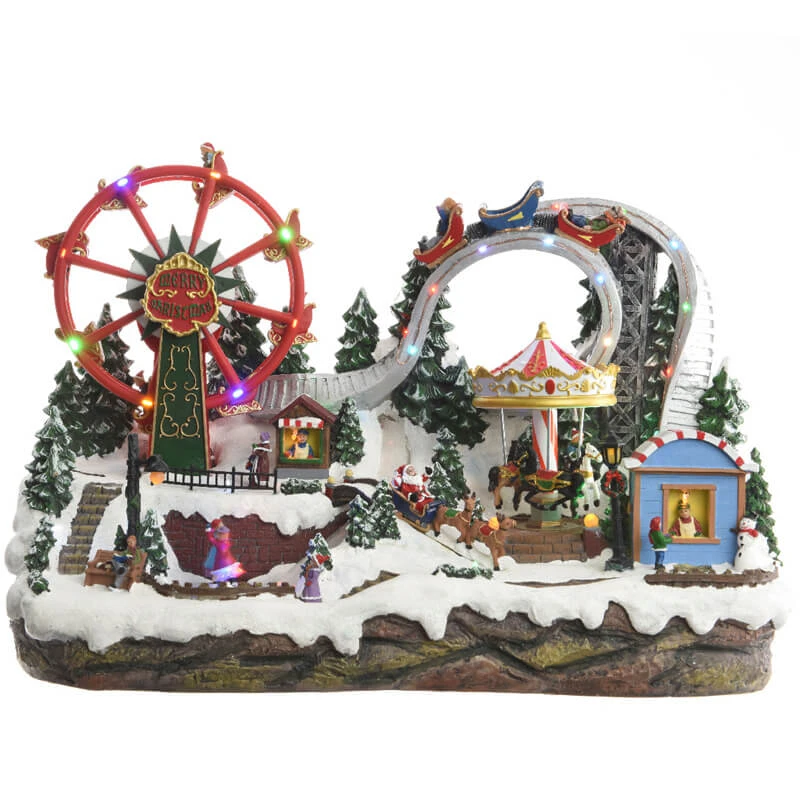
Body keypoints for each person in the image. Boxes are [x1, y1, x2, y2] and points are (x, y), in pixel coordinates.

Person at [204, 519, 245, 583]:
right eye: (222, 534)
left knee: (229, 572)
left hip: (227, 561)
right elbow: (211, 538)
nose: (225, 535)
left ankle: (232, 582)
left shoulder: (225, 542)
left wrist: (210, 531)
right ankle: (220, 583)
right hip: (220, 561)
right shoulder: (218, 542)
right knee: (220, 573)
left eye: (226, 534)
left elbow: (212, 537)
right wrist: (210, 531)